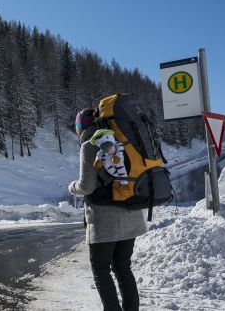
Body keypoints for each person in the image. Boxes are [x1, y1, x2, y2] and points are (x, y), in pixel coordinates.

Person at [69, 108, 147, 311]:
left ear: (81, 127)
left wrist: (72, 187)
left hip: (105, 222)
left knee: (101, 270)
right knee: (123, 268)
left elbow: (86, 186)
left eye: (78, 126)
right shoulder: (122, 139)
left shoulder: (89, 145)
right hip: (131, 214)